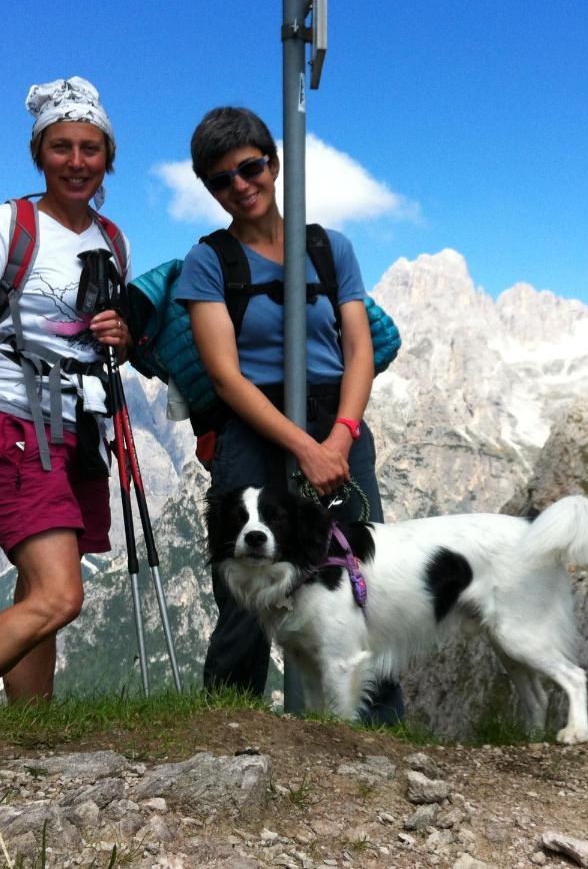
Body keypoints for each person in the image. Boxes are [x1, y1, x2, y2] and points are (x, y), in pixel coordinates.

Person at [175, 106, 403, 721]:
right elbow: (225, 374)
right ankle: (229, 731)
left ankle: (379, 736)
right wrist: (308, 448)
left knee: (360, 584)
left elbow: (359, 350)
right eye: (222, 179)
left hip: (339, 421)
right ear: (210, 188)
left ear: (273, 165)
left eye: (250, 168)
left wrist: (341, 436)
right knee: (246, 589)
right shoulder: (209, 263)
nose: (241, 185)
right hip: (254, 428)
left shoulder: (330, 249)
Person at [0, 77, 132, 705]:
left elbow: (98, 342)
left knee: (37, 584)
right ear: (39, 153)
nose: (76, 162)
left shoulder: (113, 240)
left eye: (90, 149)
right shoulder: (7, 224)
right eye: (61, 147)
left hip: (79, 431)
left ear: (107, 159)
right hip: (10, 422)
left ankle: (30, 725)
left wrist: (119, 335)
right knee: (59, 595)